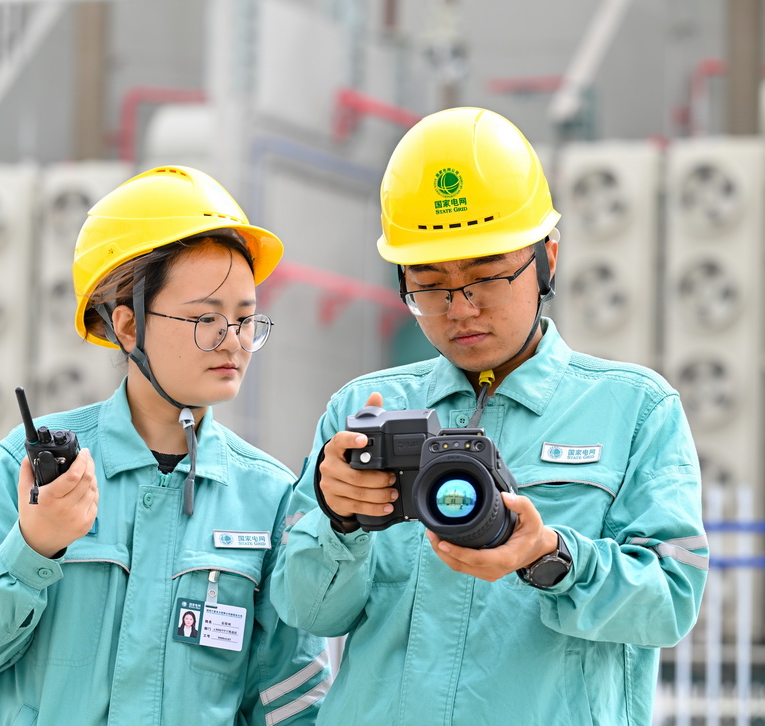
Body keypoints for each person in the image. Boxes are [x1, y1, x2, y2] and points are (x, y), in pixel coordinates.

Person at [270, 107, 708, 725]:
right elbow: (307, 611)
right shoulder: (362, 411)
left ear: (547, 259)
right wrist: (339, 523)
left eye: (487, 276)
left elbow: (671, 601)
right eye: (430, 284)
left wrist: (550, 556)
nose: (461, 309)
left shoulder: (634, 409)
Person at [0, 165, 330, 725]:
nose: (233, 342)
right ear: (127, 326)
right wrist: (33, 546)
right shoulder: (34, 472)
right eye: (205, 319)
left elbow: (290, 700)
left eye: (244, 320)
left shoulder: (267, 496)